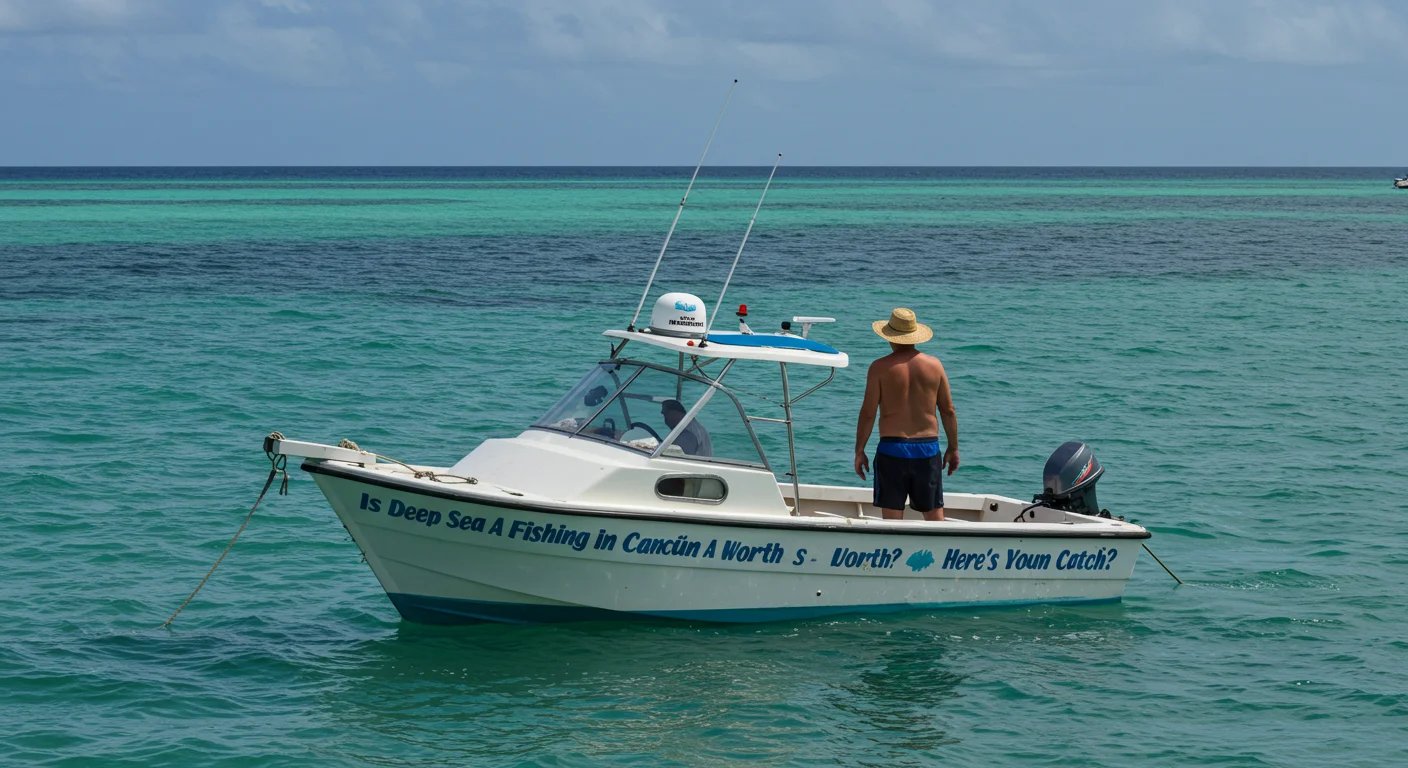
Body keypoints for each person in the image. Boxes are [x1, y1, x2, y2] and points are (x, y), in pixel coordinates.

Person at [853, 308, 959, 521]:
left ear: (889, 336)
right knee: (934, 518)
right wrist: (953, 448)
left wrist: (859, 450)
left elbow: (868, 413)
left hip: (892, 450)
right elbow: (948, 410)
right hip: (927, 449)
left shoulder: (879, 367)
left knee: (892, 522)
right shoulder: (934, 365)